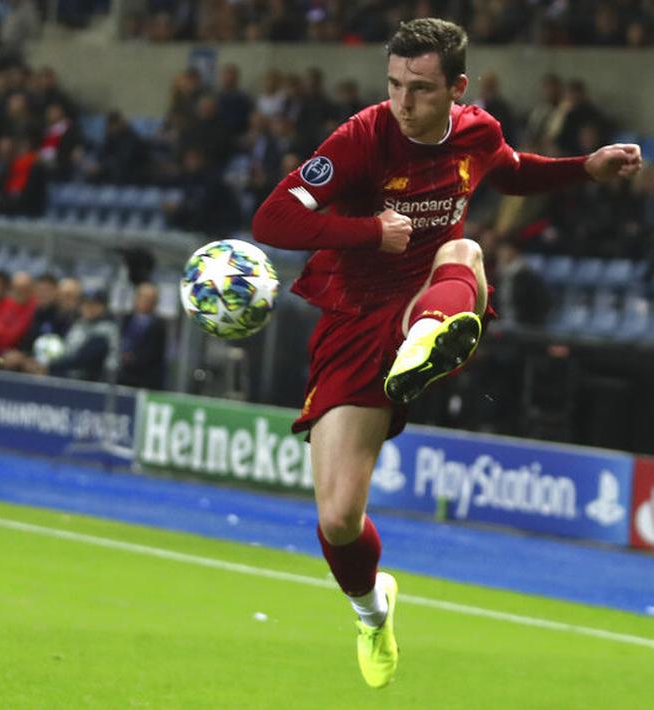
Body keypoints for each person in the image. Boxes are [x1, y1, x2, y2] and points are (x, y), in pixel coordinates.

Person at [250, 18, 641, 690]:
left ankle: (427, 340)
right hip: (356, 316)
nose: (403, 102)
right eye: (394, 85)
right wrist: (367, 231)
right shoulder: (360, 136)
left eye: (421, 89)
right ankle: (372, 610)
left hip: (435, 290)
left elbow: (509, 172)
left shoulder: (477, 132)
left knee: (464, 248)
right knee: (338, 519)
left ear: (457, 88)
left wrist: (584, 168)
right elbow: (272, 218)